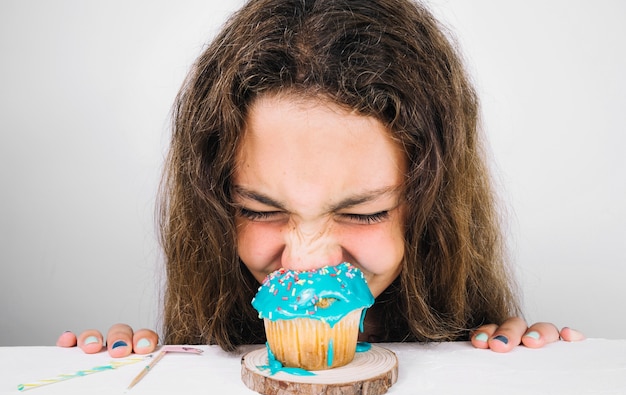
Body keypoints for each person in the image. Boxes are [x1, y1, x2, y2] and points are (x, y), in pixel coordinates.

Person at [57, 0, 584, 358]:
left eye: (363, 213)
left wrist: (524, 376)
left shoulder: (484, 362)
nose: (306, 261)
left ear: (431, 206)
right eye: (259, 210)